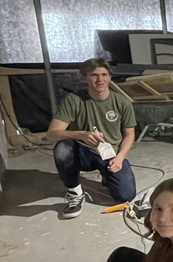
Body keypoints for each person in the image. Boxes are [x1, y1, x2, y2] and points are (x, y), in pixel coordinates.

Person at [46, 58, 137, 218]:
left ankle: (106, 176)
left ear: (110, 77)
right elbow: (52, 133)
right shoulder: (74, 100)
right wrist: (81, 134)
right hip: (83, 152)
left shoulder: (122, 103)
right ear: (84, 78)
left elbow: (129, 134)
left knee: (126, 196)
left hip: (110, 154)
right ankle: (75, 193)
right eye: (94, 75)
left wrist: (120, 158)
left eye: (104, 74)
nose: (100, 79)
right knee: (62, 148)